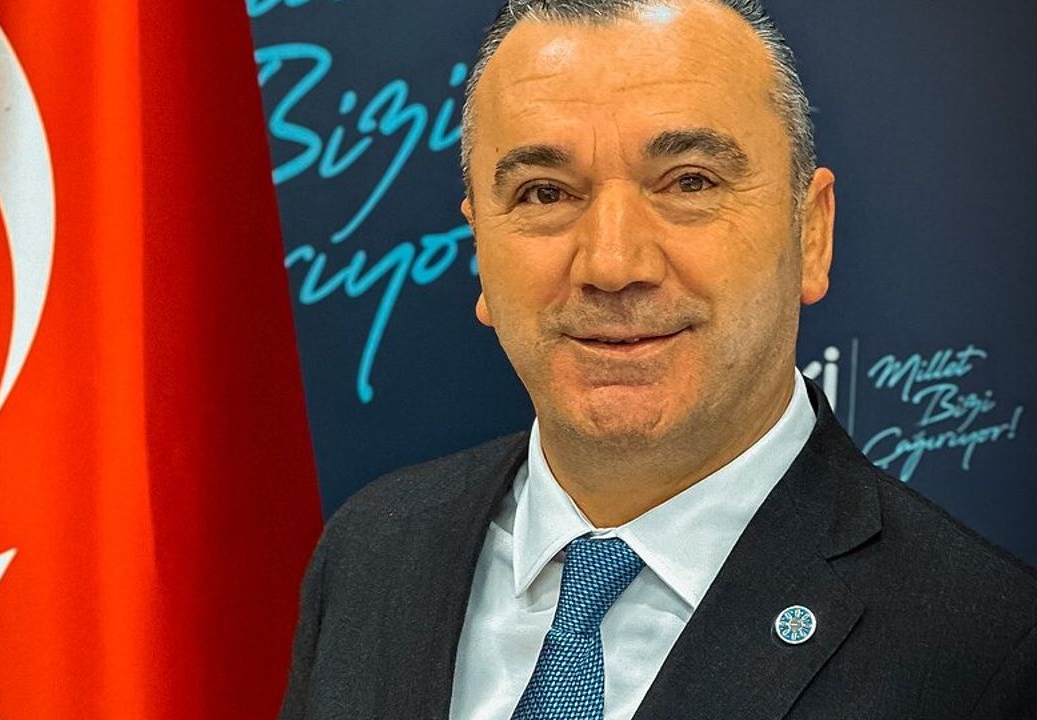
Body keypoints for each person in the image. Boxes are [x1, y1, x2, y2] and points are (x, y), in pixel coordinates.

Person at [278, 1, 1037, 718]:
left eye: (689, 183)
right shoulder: (372, 552)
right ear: (480, 246)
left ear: (811, 233)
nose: (612, 264)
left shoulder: (988, 650)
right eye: (544, 193)